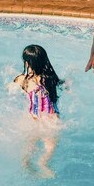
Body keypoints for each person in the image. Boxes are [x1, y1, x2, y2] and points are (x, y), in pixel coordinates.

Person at [14, 44, 65, 178]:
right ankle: (44, 164)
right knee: (50, 147)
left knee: (30, 148)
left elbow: (12, 88)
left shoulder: (22, 80)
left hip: (34, 119)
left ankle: (26, 165)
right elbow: (64, 86)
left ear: (26, 63)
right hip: (52, 120)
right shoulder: (50, 79)